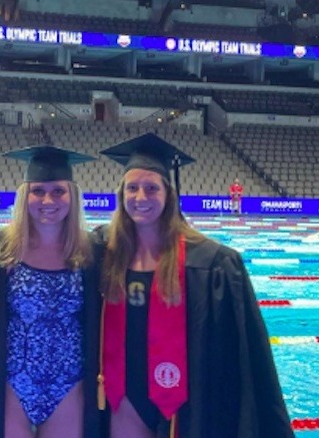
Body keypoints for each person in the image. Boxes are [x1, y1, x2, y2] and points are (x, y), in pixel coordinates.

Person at [97, 133, 293, 437]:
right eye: (132, 188)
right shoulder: (104, 253)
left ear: (168, 195)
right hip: (124, 397)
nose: (140, 197)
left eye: (151, 188)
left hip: (183, 402)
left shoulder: (210, 262)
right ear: (121, 195)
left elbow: (240, 353)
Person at [0, 145, 102, 438]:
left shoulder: (91, 251)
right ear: (25, 196)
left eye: (58, 191)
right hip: (12, 384)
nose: (48, 200)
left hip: (69, 385)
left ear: (72, 196)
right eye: (38, 191)